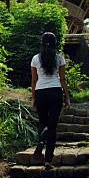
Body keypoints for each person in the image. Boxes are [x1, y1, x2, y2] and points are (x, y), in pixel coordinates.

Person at [31, 31, 71, 169]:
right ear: (55, 43)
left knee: (43, 123)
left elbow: (34, 80)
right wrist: (67, 98)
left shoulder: (35, 58)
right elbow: (63, 79)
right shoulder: (59, 58)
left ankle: (41, 141)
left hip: (41, 93)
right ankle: (48, 161)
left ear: (41, 43)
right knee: (52, 126)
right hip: (55, 92)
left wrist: (34, 98)